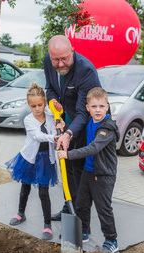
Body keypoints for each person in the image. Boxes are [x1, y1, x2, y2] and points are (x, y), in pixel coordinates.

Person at [44, 35, 101, 221]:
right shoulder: (48, 62)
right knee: (66, 167)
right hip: (66, 121)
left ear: (72, 52)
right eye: (55, 60)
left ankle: (81, 215)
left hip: (85, 126)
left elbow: (83, 112)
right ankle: (68, 207)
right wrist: (53, 102)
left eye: (64, 59)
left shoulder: (86, 71)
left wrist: (69, 133)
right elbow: (50, 89)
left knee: (79, 171)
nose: (60, 64)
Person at [57, 87, 120, 253]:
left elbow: (93, 148)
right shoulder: (90, 122)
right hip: (88, 170)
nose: (97, 110)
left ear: (107, 107)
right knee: (82, 204)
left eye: (101, 106)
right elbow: (78, 135)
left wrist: (67, 155)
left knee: (103, 208)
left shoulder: (108, 128)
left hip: (103, 175)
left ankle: (112, 240)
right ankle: (83, 232)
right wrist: (65, 127)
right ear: (87, 108)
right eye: (94, 106)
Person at [6, 83, 63, 241]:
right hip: (29, 158)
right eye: (33, 106)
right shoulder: (28, 120)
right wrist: (54, 137)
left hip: (45, 159)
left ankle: (47, 225)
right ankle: (20, 213)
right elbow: (38, 136)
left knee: (43, 193)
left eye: (40, 104)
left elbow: (55, 131)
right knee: (25, 187)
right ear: (28, 105)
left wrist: (60, 126)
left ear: (45, 102)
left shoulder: (52, 118)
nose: (37, 109)